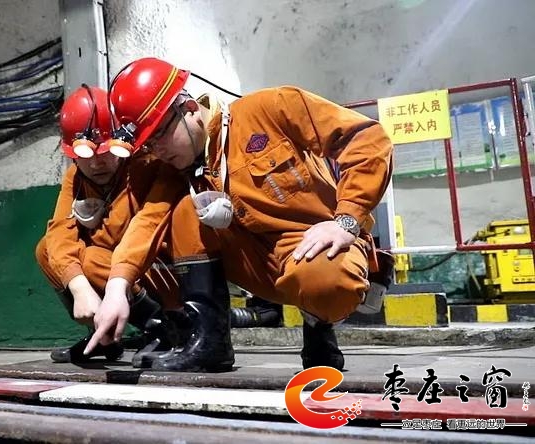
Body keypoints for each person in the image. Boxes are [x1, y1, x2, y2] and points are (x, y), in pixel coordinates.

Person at [86, 58, 395, 372]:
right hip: (256, 265)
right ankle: (210, 342)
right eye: (148, 144)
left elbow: (367, 139)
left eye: (159, 135)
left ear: (188, 108)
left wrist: (346, 220)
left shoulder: (271, 108)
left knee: (329, 283)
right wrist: (116, 287)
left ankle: (318, 323)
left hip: (315, 249)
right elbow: (148, 221)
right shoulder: (176, 168)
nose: (159, 151)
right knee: (183, 211)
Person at [35, 84, 188, 367]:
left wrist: (112, 275)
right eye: (85, 155)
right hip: (116, 272)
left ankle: (164, 328)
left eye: (106, 151)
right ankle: (104, 336)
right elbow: (58, 234)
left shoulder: (147, 165)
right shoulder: (76, 179)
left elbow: (147, 226)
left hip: (159, 270)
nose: (97, 163)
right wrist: (79, 288)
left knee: (90, 258)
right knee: (47, 250)